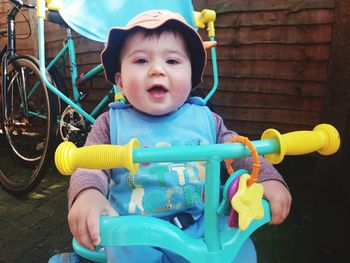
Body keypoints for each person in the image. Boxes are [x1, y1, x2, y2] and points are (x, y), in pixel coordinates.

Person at [67, 9, 292, 262]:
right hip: (137, 232)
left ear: (191, 77)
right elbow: (88, 164)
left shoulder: (206, 120)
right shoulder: (110, 123)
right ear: (120, 81)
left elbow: (241, 151)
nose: (157, 70)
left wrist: (267, 178)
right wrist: (88, 194)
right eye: (141, 61)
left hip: (202, 223)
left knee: (241, 252)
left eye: (172, 61)